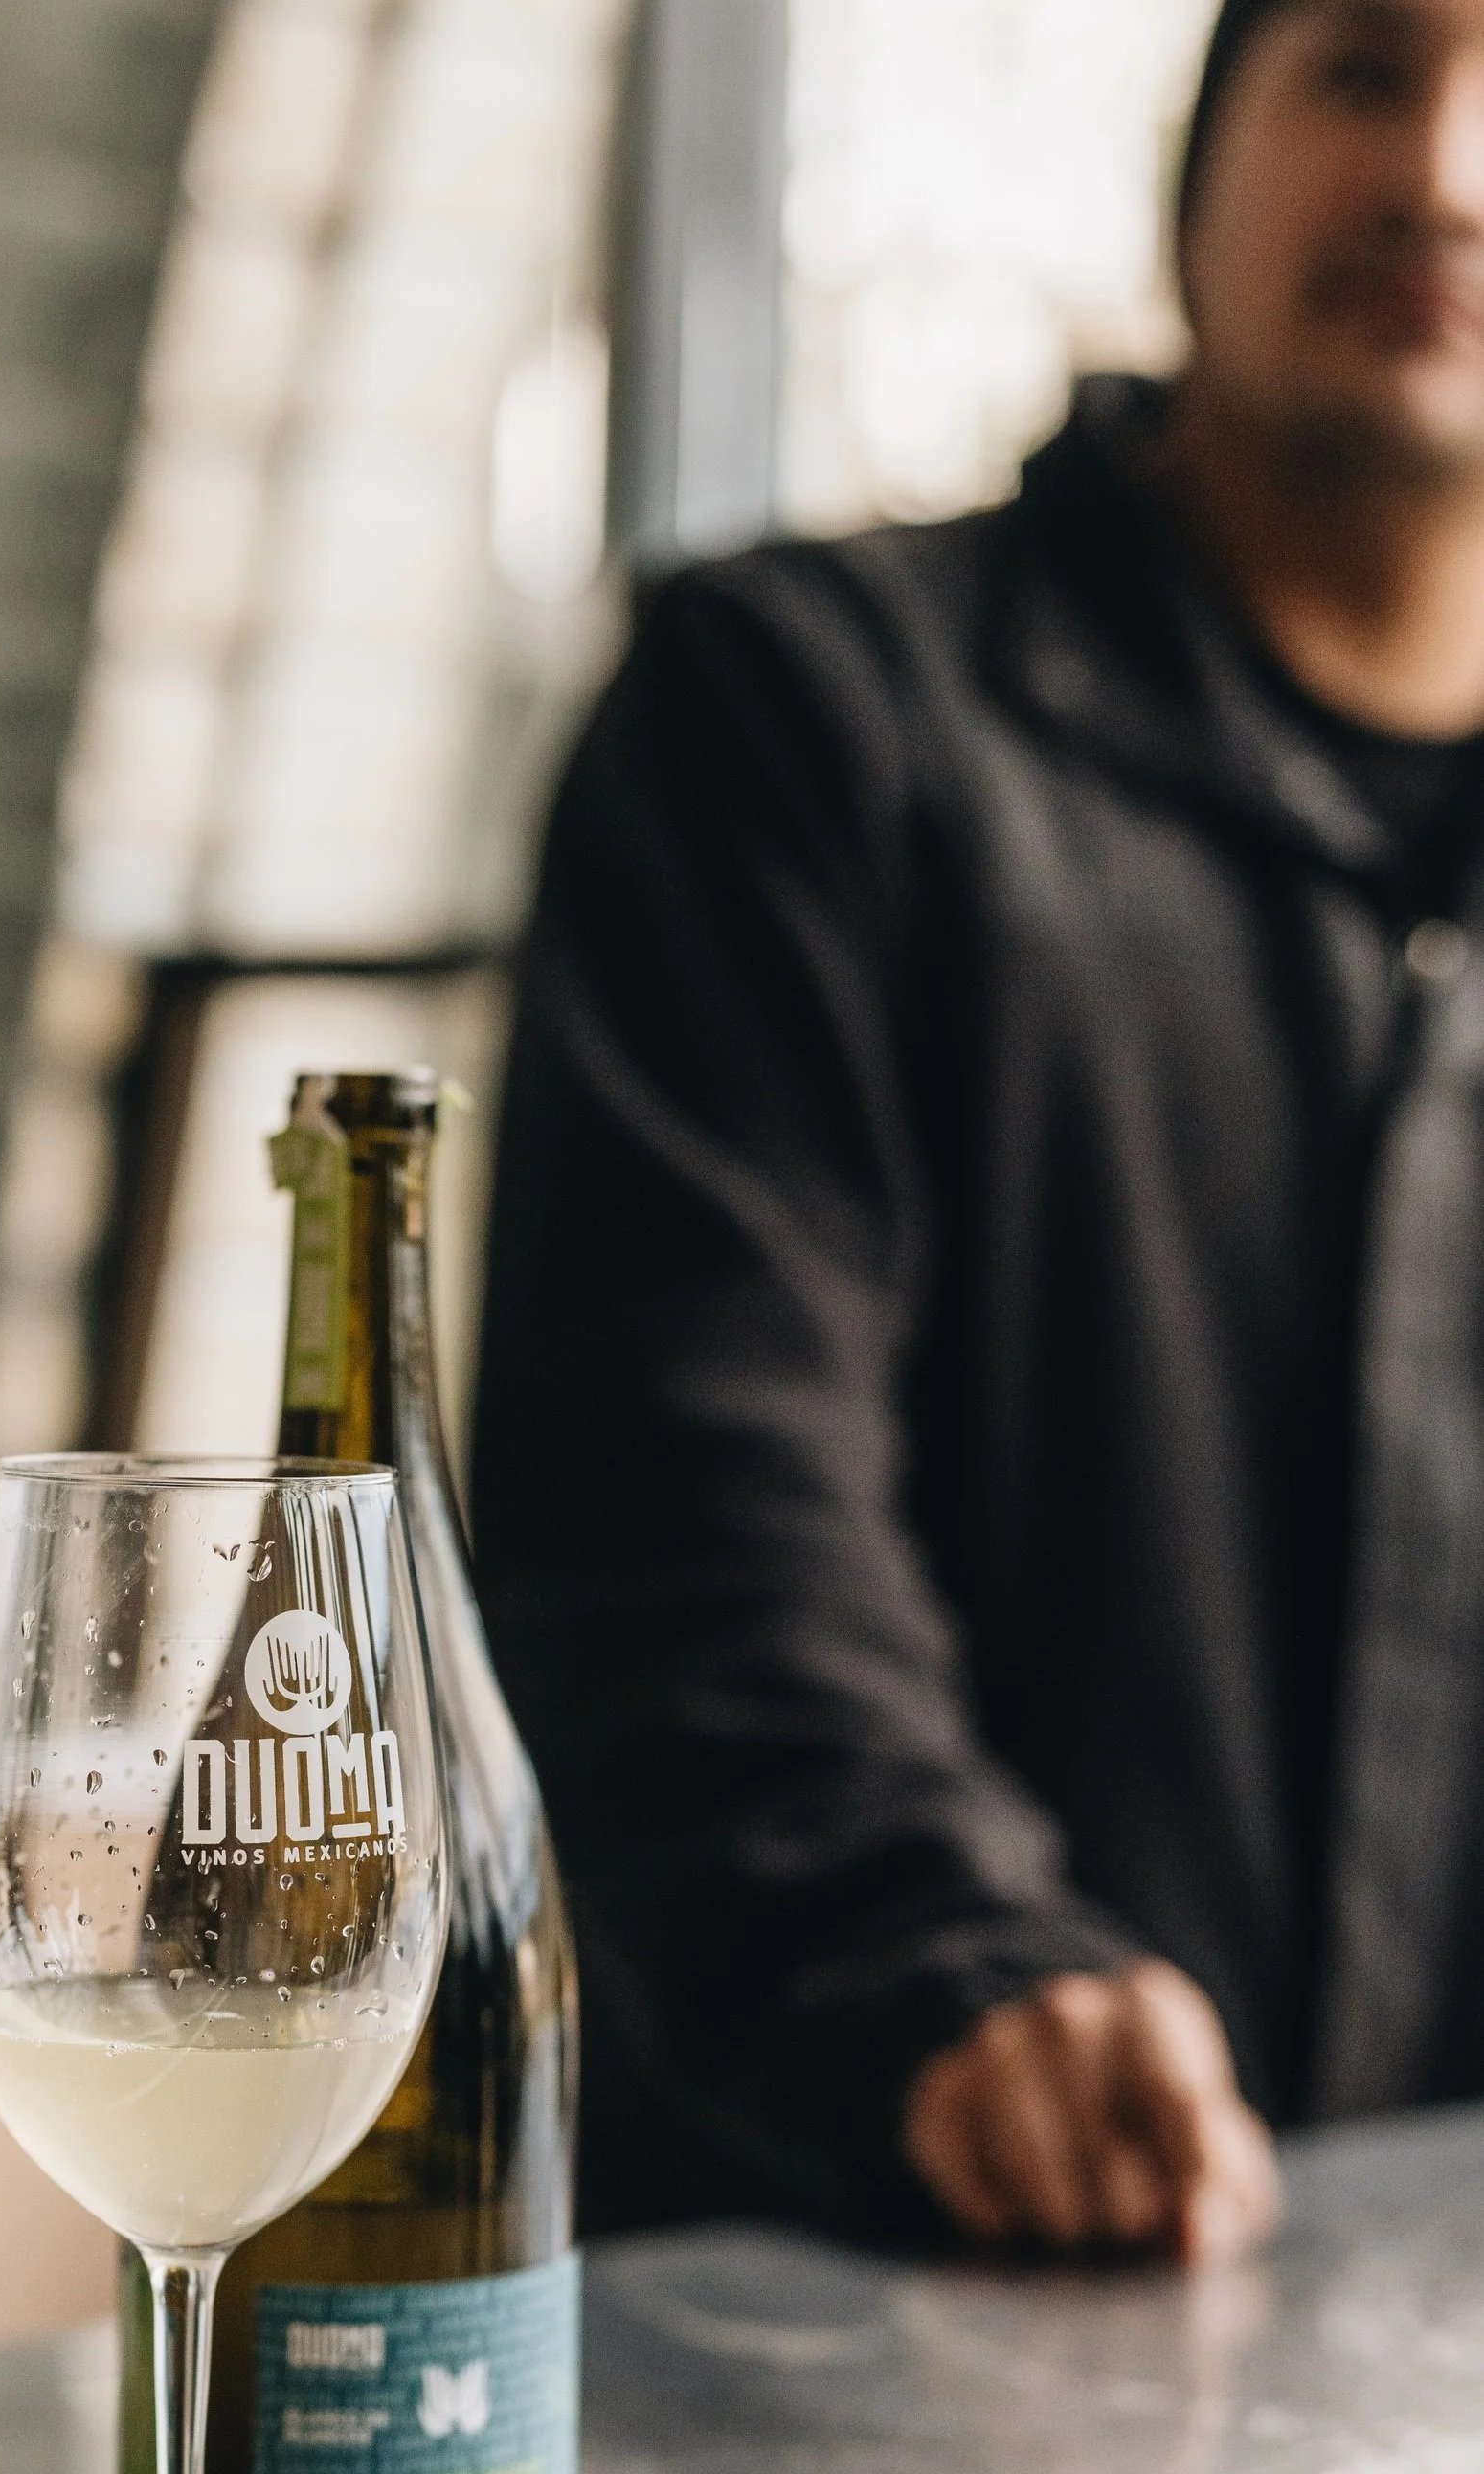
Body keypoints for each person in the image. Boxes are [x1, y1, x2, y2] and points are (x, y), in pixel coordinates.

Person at [472, 0, 1484, 2266]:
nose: (1440, 169)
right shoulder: (798, 722)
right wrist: (947, 1970)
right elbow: (669, 1510)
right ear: (1190, 172)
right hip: (840, 2284)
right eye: (1359, 67)